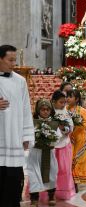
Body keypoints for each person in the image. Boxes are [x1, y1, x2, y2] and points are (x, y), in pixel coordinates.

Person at [0, 45, 34, 206]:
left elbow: (26, 109)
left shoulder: (20, 81)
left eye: (14, 60)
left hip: (13, 138)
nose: (14, 64)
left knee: (13, 183)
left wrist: (26, 135)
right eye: (10, 60)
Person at [28, 99, 61, 206]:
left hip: (49, 152)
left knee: (51, 173)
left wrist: (51, 140)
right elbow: (28, 136)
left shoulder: (54, 123)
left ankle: (51, 195)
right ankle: (34, 198)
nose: (45, 112)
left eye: (47, 109)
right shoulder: (32, 122)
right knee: (34, 175)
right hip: (35, 153)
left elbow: (59, 137)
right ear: (38, 111)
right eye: (43, 109)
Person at [66, 90, 86, 190]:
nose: (67, 99)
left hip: (80, 139)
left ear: (77, 99)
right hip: (68, 139)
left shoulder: (82, 111)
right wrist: (69, 134)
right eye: (67, 96)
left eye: (70, 96)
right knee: (69, 159)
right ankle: (70, 180)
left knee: (79, 159)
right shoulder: (65, 110)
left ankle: (77, 181)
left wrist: (76, 128)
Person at [51, 90, 75, 199]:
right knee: (51, 169)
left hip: (64, 145)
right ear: (53, 101)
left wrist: (64, 128)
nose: (63, 104)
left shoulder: (66, 112)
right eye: (61, 102)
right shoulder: (48, 111)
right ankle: (49, 192)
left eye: (64, 102)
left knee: (64, 169)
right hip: (51, 146)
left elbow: (70, 127)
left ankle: (62, 192)